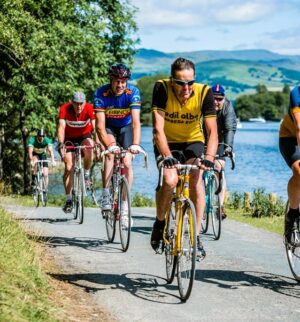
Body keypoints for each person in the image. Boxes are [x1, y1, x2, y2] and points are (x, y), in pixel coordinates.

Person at [151, 57, 218, 259]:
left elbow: (212, 131)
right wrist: (167, 156)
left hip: (193, 141)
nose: (186, 87)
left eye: (190, 82)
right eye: (181, 83)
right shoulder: (162, 88)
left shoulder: (204, 92)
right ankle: (160, 223)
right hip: (166, 142)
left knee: (196, 180)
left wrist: (209, 157)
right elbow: (157, 129)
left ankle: (195, 237)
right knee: (170, 180)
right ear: (173, 81)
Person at [94, 63, 142, 214]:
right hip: (108, 127)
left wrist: (136, 144)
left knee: (127, 162)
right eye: (117, 81)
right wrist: (109, 145)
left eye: (123, 81)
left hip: (126, 127)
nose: (120, 85)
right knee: (110, 154)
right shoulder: (101, 93)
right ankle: (106, 194)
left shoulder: (133, 92)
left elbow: (136, 122)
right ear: (111, 80)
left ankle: (125, 205)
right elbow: (100, 126)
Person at [57, 91, 97, 213]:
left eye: (81, 103)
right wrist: (61, 143)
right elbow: (61, 127)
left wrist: (98, 143)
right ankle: (69, 199)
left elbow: (96, 127)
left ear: (85, 102)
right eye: (76, 103)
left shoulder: (90, 108)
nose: (79, 106)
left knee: (90, 147)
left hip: (84, 136)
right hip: (69, 138)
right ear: (72, 102)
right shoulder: (65, 108)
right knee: (69, 167)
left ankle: (86, 174)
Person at [210, 84, 237, 219]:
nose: (216, 102)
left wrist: (228, 147)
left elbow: (230, 128)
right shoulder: (202, 105)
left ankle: (219, 206)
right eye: (213, 98)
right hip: (200, 138)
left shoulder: (227, 107)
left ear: (224, 99)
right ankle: (199, 204)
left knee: (220, 167)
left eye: (219, 99)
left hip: (218, 139)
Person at [279, 85, 300, 245]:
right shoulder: (296, 93)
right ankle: (292, 214)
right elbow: (299, 127)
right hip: (291, 139)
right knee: (299, 171)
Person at [28, 128, 56, 196]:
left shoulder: (47, 140)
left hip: (43, 155)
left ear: (45, 136)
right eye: (40, 136)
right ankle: (34, 181)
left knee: (46, 174)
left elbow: (51, 151)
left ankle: (45, 190)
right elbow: (30, 152)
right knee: (35, 162)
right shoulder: (32, 140)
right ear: (37, 136)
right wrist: (31, 161)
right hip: (35, 155)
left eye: (43, 136)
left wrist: (53, 160)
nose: (41, 137)